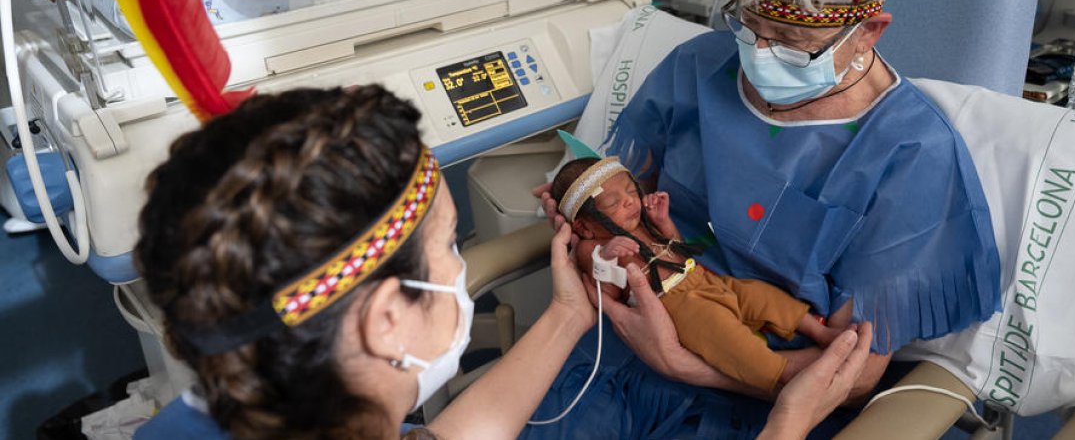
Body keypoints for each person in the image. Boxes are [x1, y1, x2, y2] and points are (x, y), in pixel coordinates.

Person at [528, 0, 1002, 438]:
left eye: (791, 43)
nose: (758, 53)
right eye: (749, 25)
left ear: (869, 31)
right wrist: (584, 216)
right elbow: (618, 192)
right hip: (618, 346)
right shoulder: (696, 68)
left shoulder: (910, 155)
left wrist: (683, 362)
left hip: (763, 397)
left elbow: (851, 374)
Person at [132, 85, 871, 439]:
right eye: (451, 248)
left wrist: (566, 315)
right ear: (388, 318)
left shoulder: (193, 421)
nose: (463, 269)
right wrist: (788, 424)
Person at [551, 156, 840, 396]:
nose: (629, 202)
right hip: (676, 306)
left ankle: (819, 332)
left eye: (630, 191)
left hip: (701, 278)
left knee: (758, 295)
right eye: (613, 203)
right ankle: (781, 371)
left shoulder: (641, 224)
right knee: (725, 337)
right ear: (585, 226)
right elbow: (608, 296)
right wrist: (608, 257)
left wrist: (664, 222)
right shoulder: (593, 247)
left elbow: (679, 248)